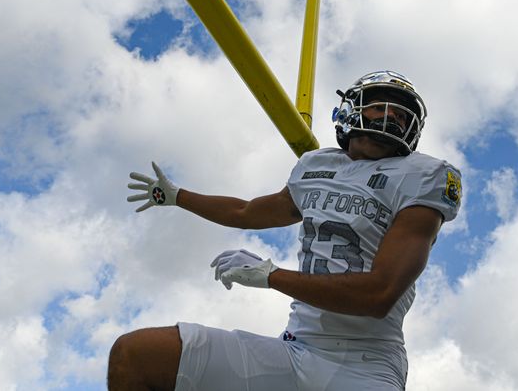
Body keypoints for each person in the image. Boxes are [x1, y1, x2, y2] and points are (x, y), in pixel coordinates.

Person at [109, 70, 462, 391]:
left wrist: (271, 276)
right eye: (383, 107)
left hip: (365, 364)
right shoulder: (316, 165)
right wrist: (176, 196)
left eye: (402, 114)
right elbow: (245, 211)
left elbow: (378, 295)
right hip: (296, 347)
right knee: (135, 355)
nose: (394, 118)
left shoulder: (423, 175)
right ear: (351, 109)